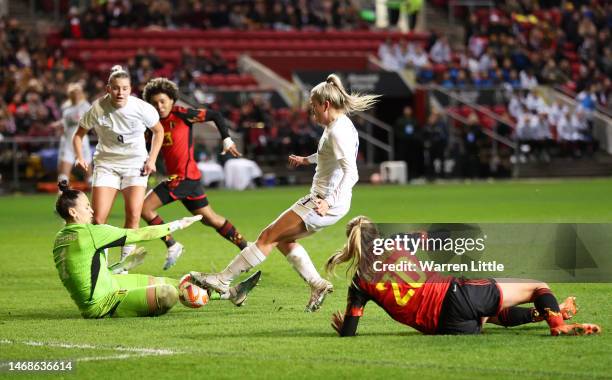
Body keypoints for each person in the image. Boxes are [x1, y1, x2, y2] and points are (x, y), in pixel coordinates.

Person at [190, 74, 380, 312]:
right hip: (328, 201)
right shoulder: (341, 125)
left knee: (267, 236)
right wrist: (306, 160)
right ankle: (317, 284)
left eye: (313, 107)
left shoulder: (337, 131)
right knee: (282, 240)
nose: (313, 113)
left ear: (326, 105)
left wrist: (328, 202)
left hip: (323, 201)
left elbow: (351, 172)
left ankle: (223, 280)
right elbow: (328, 156)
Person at [327, 216, 602, 336]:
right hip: (455, 295)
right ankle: (556, 323)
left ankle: (542, 314)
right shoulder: (399, 241)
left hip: (447, 327)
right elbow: (436, 239)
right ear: (376, 233)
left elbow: (350, 330)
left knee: (489, 314)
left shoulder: (359, 283)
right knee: (537, 285)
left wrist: (343, 329)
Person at [52, 181, 261, 318]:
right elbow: (139, 234)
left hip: (107, 286)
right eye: (86, 206)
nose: (91, 209)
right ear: (73, 211)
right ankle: (224, 293)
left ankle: (233, 293)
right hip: (102, 303)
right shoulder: (89, 233)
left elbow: (86, 274)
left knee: (179, 282)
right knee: (168, 293)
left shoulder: (61, 238)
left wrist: (122, 265)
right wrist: (178, 224)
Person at [140, 77, 247, 270]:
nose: (159, 106)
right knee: (210, 219)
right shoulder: (153, 126)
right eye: (155, 103)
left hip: (183, 178)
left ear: (172, 100)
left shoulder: (182, 114)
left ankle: (172, 244)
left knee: (144, 208)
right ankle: (247, 249)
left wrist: (227, 139)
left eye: (163, 101)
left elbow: (214, 115)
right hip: (188, 179)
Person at [72, 65, 164, 261]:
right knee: (98, 219)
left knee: (133, 217)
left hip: (135, 165)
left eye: (124, 88)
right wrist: (80, 156)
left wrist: (152, 159)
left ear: (130, 90)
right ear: (108, 89)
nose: (120, 92)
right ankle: (102, 266)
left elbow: (159, 131)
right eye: (115, 88)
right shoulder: (97, 108)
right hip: (107, 165)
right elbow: (78, 136)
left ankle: (123, 266)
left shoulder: (141, 108)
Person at [55, 82, 92, 185]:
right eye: (73, 92)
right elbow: (64, 122)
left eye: (78, 92)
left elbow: (91, 123)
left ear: (81, 93)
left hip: (82, 141)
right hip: (68, 142)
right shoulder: (66, 107)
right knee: (63, 176)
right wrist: (59, 125)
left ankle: (95, 198)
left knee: (89, 177)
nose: (76, 94)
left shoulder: (86, 106)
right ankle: (62, 198)